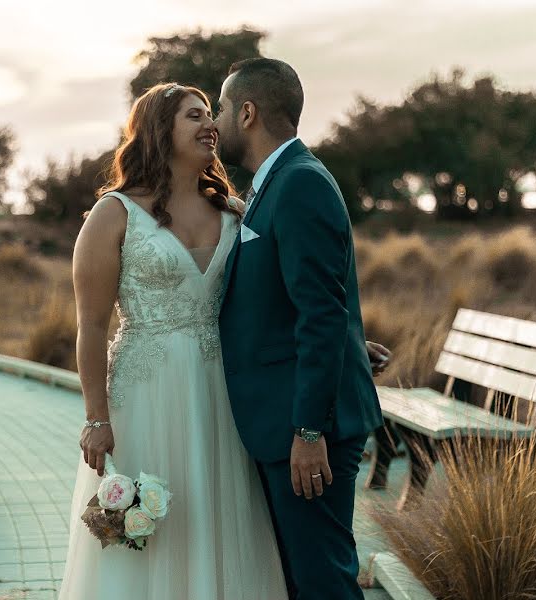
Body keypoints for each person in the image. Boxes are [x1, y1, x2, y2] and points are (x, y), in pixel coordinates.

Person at [58, 83, 289, 599]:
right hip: (145, 393)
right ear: (160, 130)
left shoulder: (234, 210)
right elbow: (91, 325)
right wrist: (96, 418)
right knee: (151, 529)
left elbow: (275, 300)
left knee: (220, 514)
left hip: (222, 391)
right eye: (194, 116)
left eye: (211, 114)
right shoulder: (113, 214)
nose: (210, 124)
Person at [214, 58, 383, 600]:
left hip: (310, 430)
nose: (215, 123)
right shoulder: (273, 185)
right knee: (302, 579)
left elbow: (321, 314)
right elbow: (307, 304)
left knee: (323, 582)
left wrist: (309, 430)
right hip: (286, 420)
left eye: (220, 108)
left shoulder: (300, 184)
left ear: (247, 112)